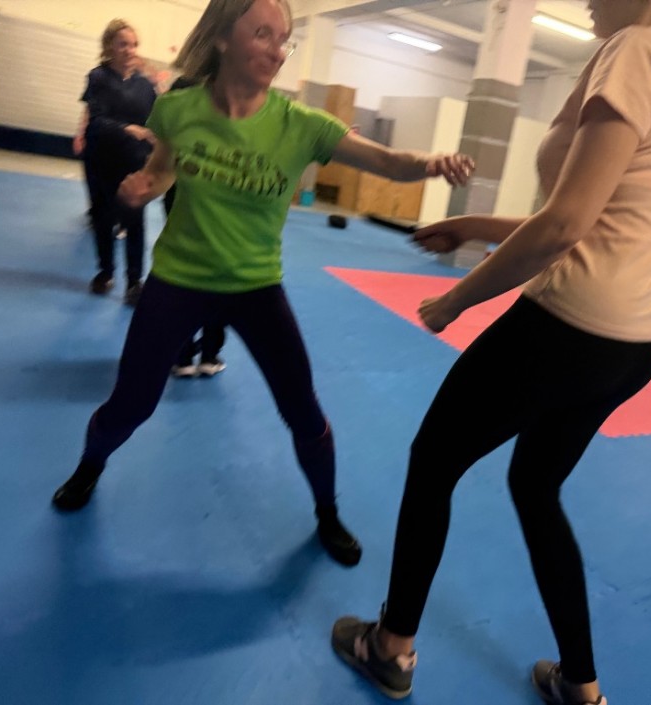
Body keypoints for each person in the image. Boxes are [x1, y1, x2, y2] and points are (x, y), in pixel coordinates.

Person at [331, 0, 651, 702]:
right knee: (535, 487)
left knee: (433, 460)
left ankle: (391, 646)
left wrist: (456, 300)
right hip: (637, 340)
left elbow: (565, 227)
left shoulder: (635, 50)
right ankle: (580, 685)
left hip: (572, 326)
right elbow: (597, 215)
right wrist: (476, 225)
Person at [50, 0, 474, 569]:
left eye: (284, 39)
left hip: (255, 287)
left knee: (303, 411)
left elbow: (389, 161)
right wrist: (144, 187)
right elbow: (165, 168)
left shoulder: (301, 125)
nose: (276, 51)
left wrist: (432, 163)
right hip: (178, 280)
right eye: (262, 35)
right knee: (130, 405)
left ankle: (327, 511)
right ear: (224, 39)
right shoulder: (177, 108)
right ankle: (88, 468)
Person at [80, 19, 157, 306]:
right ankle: (105, 271)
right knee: (103, 219)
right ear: (109, 46)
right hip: (101, 162)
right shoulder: (98, 77)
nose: (129, 50)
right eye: (123, 44)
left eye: (134, 44)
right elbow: (96, 121)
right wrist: (128, 129)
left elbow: (155, 122)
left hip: (134, 164)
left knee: (135, 222)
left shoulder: (145, 86)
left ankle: (135, 281)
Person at [160, 73, 228, 379]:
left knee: (185, 280)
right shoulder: (225, 100)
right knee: (216, 282)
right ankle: (208, 355)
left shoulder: (181, 97)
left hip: (182, 201)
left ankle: (183, 354)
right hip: (216, 208)